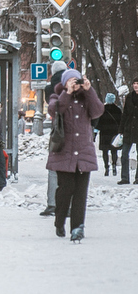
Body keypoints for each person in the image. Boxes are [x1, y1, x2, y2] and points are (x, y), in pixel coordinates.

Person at [46, 69, 104, 242]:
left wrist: (89, 90)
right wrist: (67, 92)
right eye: (70, 80)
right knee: (65, 190)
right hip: (63, 152)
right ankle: (59, 221)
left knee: (80, 193)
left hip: (84, 153)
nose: (74, 83)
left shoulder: (86, 98)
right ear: (64, 83)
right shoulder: (57, 97)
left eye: (76, 80)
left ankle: (78, 227)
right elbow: (55, 111)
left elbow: (97, 112)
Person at [40, 60, 70, 215]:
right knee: (72, 167)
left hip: (57, 129)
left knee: (54, 165)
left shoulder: (49, 87)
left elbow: (50, 107)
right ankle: (70, 205)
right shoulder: (73, 84)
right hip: (74, 129)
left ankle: (52, 204)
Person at [96, 93, 123, 176]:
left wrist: (97, 130)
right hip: (114, 133)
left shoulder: (102, 110)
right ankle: (114, 166)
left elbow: (98, 122)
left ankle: (106, 168)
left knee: (105, 151)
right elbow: (121, 122)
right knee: (114, 151)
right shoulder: (118, 110)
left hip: (104, 133)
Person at [120, 79, 138, 184]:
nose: (136, 86)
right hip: (128, 128)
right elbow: (125, 113)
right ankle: (125, 178)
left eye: (137, 84)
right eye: (134, 84)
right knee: (124, 154)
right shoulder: (129, 97)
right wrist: (121, 129)